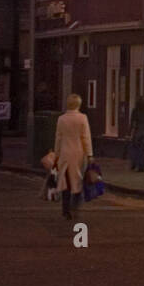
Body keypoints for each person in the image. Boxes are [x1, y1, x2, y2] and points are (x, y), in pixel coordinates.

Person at [54, 92, 93, 220]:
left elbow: (58, 138)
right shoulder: (83, 118)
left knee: (66, 182)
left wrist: (57, 153)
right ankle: (74, 206)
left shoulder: (61, 119)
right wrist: (89, 154)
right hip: (78, 153)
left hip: (65, 153)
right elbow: (86, 138)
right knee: (78, 180)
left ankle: (65, 210)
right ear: (78, 104)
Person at [127, 95, 144, 172]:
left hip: (137, 132)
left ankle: (134, 163)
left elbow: (132, 122)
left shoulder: (135, 111)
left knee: (135, 149)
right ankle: (142, 165)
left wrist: (130, 132)